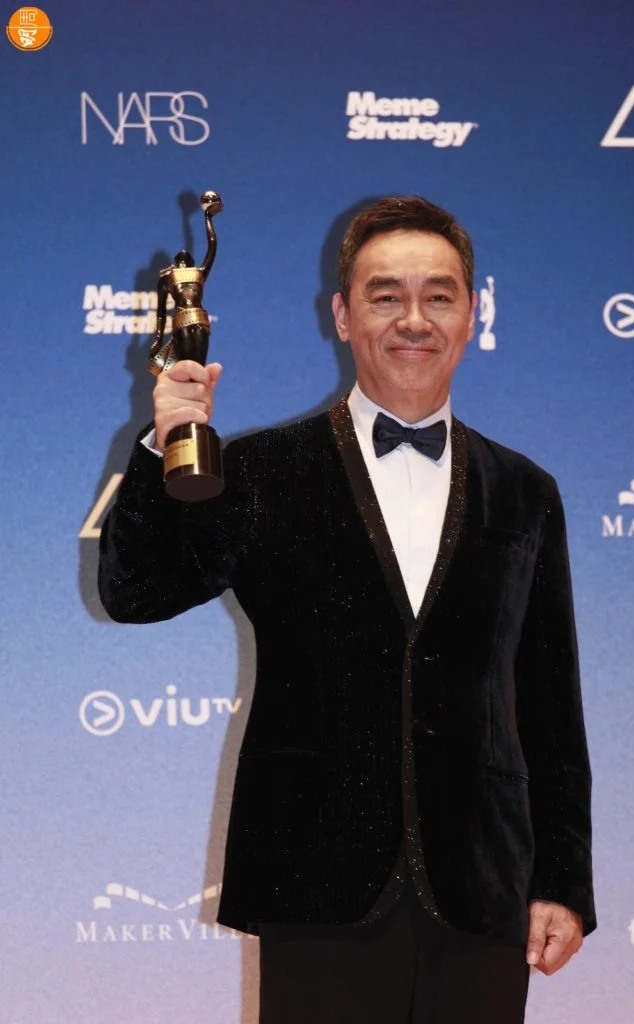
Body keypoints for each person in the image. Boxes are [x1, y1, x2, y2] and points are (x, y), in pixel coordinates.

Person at [98, 195, 596, 1024]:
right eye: (385, 296)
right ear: (342, 315)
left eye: (438, 296)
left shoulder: (526, 491)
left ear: (472, 313)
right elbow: (134, 593)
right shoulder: (261, 471)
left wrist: (564, 881)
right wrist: (163, 447)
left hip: (483, 888)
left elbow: (552, 708)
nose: (414, 320)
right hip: (314, 883)